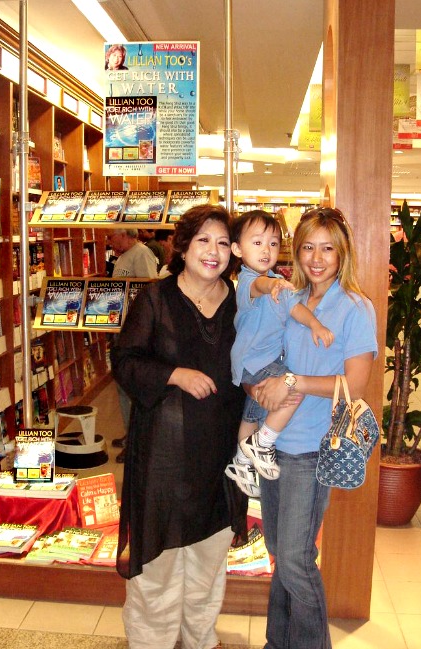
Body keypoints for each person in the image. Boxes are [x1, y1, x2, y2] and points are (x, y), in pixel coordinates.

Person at [110, 204, 247, 649]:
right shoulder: (156, 298)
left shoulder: (243, 301)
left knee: (208, 565)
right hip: (164, 461)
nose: (214, 251)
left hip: (221, 458)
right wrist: (174, 374)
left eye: (223, 242)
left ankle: (199, 640)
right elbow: (125, 362)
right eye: (204, 240)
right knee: (160, 567)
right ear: (183, 246)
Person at [249, 207, 377, 649]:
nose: (316, 258)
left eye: (327, 248)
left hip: (311, 449)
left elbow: (354, 385)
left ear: (342, 253)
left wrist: (293, 382)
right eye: (307, 247)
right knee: (281, 556)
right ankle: (277, 642)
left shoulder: (356, 307)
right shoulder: (294, 300)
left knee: (297, 559)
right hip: (273, 441)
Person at [225, 210, 334, 498]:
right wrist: (272, 284)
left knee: (253, 410)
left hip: (261, 361)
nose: (266, 250)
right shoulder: (249, 280)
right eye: (257, 242)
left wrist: (315, 324)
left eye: (273, 244)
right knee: (292, 391)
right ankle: (263, 441)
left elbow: (296, 309)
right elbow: (261, 287)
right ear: (237, 249)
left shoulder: (278, 281)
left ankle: (241, 461)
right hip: (253, 360)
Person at [108, 228, 159, 462]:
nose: (109, 240)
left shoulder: (142, 253)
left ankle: (137, 439)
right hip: (120, 326)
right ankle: (131, 433)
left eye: (112, 236)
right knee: (122, 383)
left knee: (132, 385)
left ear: (126, 234)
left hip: (134, 330)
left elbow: (150, 289)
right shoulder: (123, 255)